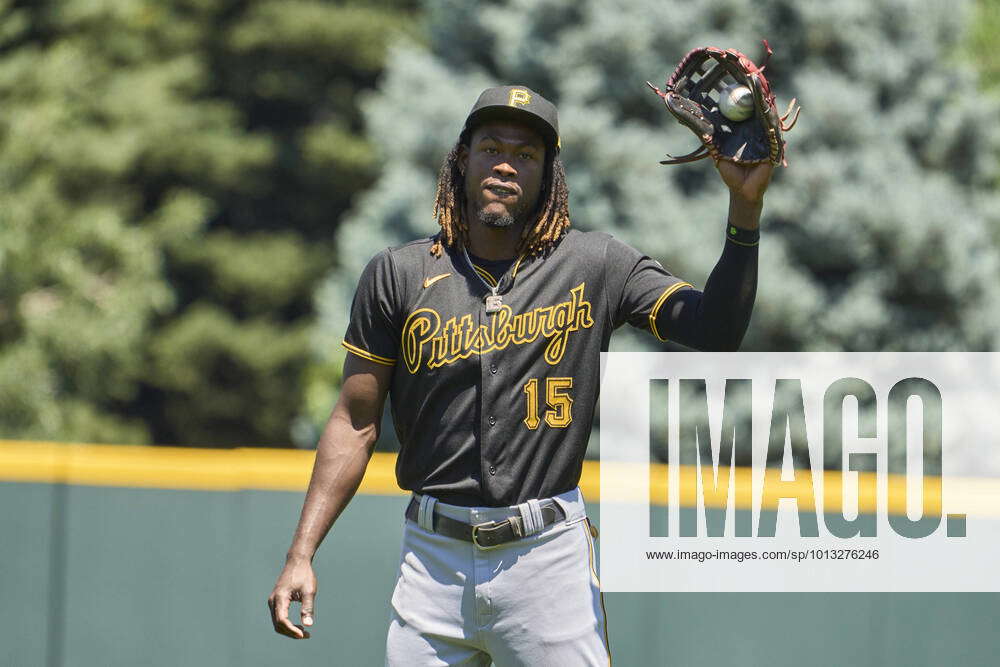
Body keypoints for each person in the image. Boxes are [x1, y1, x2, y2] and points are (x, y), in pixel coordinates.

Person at [267, 85, 770, 665]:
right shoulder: (399, 274)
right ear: (462, 160)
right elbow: (355, 423)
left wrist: (745, 209)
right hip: (432, 559)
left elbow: (714, 328)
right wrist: (301, 553)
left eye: (526, 154)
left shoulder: (595, 264)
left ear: (549, 175)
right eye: (491, 147)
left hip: (546, 560)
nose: (506, 164)